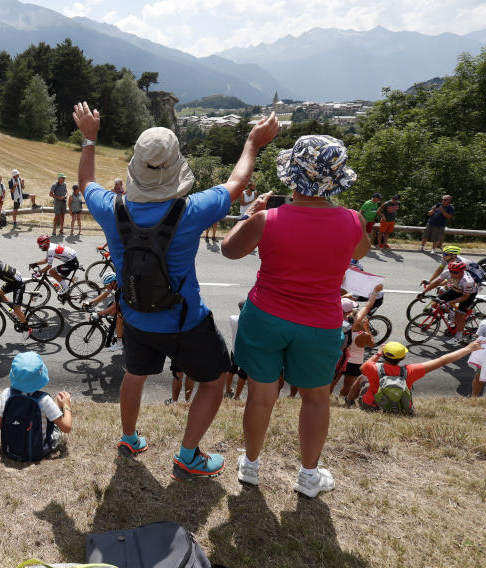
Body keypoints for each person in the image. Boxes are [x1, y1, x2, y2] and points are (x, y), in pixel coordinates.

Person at [75, 100, 279, 481]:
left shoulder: (110, 208)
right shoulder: (192, 210)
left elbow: (86, 182)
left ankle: (129, 438)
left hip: (135, 315)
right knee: (214, 379)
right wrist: (252, 142)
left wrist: (90, 138)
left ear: (136, 167)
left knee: (133, 374)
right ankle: (188, 456)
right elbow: (236, 184)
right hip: (186, 321)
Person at [222, 134, 369, 497]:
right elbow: (361, 251)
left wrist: (249, 214)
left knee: (260, 396)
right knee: (316, 398)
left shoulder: (267, 219)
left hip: (266, 316)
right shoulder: (352, 220)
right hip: (320, 322)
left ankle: (251, 466)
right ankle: (308, 476)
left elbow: (228, 250)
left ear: (292, 175)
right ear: (335, 178)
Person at [348, 340, 482, 413]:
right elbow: (443, 360)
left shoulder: (372, 368)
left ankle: (349, 401)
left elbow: (362, 368)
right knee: (409, 385)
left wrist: (378, 353)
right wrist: (468, 349)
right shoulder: (411, 371)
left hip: (371, 406)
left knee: (362, 378)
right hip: (401, 409)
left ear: (384, 355)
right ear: (403, 357)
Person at [0, 351, 72, 457]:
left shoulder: (6, 394)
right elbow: (67, 428)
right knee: (56, 427)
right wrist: (66, 406)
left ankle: (55, 408)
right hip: (38, 451)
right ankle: (57, 408)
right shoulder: (44, 400)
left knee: (48, 412)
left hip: (10, 450)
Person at [331, 285, 383, 399]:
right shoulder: (352, 323)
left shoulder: (329, 316)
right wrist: (375, 292)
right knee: (347, 385)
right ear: (349, 312)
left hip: (332, 355)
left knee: (331, 381)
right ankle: (342, 399)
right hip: (347, 358)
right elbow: (368, 306)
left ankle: (325, 397)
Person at [418, 259, 479, 345]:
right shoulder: (447, 273)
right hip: (455, 289)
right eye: (451, 271)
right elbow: (436, 282)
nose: (452, 273)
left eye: (455, 272)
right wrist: (423, 292)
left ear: (462, 272)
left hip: (468, 295)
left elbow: (464, 297)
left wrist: (449, 303)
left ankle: (459, 336)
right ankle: (452, 314)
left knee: (459, 315)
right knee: (435, 302)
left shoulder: (467, 281)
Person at [85, 272, 123, 353]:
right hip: (126, 302)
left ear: (113, 282)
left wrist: (99, 314)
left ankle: (120, 343)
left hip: (133, 306)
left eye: (106, 284)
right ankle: (122, 331)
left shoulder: (121, 289)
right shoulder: (115, 284)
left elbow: (115, 306)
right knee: (112, 312)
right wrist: (91, 302)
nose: (105, 286)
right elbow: (105, 294)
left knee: (119, 317)